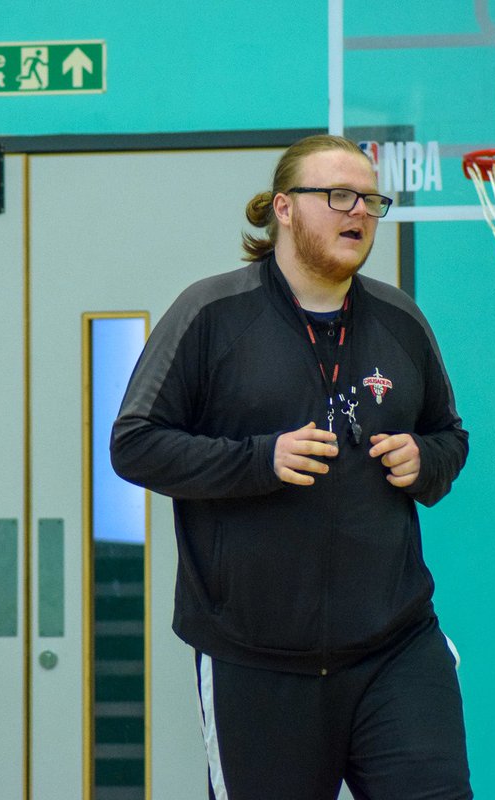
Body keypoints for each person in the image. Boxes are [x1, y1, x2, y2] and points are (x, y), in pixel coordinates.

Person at [111, 134, 472, 799]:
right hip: (257, 663)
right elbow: (134, 443)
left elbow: (450, 437)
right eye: (337, 195)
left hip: (395, 648)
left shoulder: (401, 320)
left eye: (369, 199)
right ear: (283, 207)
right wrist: (259, 460)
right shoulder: (210, 315)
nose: (357, 212)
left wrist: (425, 461)